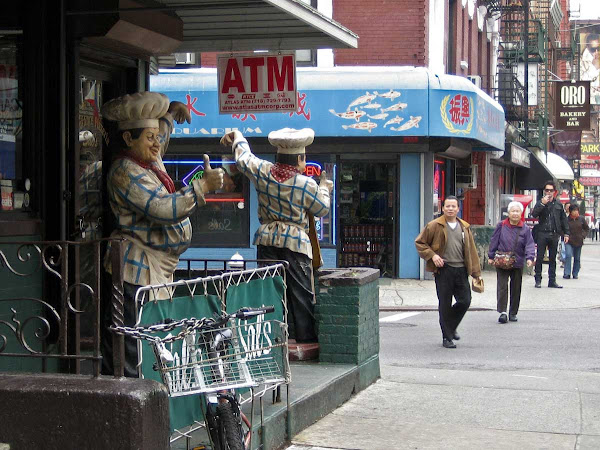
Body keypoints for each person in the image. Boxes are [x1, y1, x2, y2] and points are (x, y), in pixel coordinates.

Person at [100, 92, 224, 377]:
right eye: (149, 137)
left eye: (158, 136)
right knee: (133, 335)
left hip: (157, 267)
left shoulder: (147, 158)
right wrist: (201, 187)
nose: (157, 144)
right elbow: (161, 208)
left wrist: (169, 116)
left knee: (154, 332)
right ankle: (130, 387)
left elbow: (160, 141)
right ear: (129, 139)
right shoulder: (125, 170)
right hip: (135, 267)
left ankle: (152, 384)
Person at [220, 128, 333, 346]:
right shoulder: (306, 184)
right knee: (301, 294)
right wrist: (325, 188)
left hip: (266, 239)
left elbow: (244, 158)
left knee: (269, 291)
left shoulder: (263, 170)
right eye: (304, 158)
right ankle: (305, 338)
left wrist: (237, 136)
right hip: (296, 243)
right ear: (299, 159)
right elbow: (322, 208)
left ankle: (269, 340)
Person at [415, 196, 482, 349]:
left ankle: (450, 326)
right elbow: (420, 243)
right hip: (443, 270)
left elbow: (471, 250)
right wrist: (433, 255)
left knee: (465, 300)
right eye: (447, 206)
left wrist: (476, 273)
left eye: (453, 206)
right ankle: (447, 337)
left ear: (458, 209)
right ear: (442, 208)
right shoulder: (434, 225)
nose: (450, 209)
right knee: (444, 304)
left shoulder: (464, 227)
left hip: (461, 270)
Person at [488, 202, 535, 323]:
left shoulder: (525, 229)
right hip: (502, 261)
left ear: (521, 214)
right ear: (508, 213)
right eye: (512, 211)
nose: (515, 213)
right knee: (502, 286)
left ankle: (513, 312)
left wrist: (530, 258)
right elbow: (494, 240)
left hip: (517, 261)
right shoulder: (501, 225)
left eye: (517, 211)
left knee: (516, 287)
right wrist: (491, 256)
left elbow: (529, 244)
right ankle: (503, 312)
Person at [531, 180, 569, 289]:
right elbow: (534, 214)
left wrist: (566, 233)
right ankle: (538, 280)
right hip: (542, 232)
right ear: (544, 191)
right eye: (547, 190)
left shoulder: (558, 204)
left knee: (553, 259)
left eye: (551, 190)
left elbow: (563, 219)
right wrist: (543, 203)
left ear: (554, 192)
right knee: (539, 257)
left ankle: (552, 281)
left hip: (554, 233)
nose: (549, 192)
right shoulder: (540, 202)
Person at [563, 204, 589, 280]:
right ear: (570, 212)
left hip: (579, 241)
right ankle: (567, 273)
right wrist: (565, 235)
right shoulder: (566, 220)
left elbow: (586, 229)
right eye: (574, 210)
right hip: (569, 241)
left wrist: (583, 235)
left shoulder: (581, 219)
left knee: (577, 258)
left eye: (577, 210)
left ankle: (575, 273)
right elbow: (562, 229)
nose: (576, 212)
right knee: (568, 255)